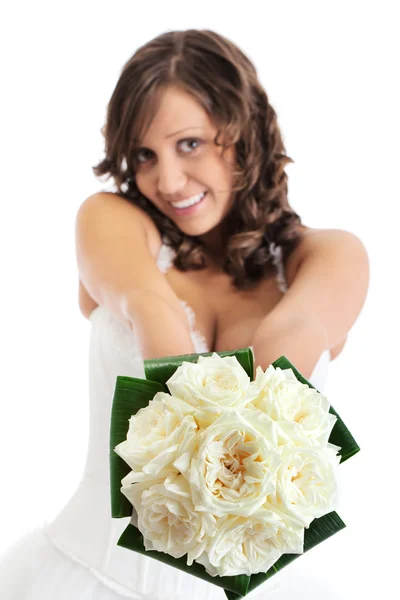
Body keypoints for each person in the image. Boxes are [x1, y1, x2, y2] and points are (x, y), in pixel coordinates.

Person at [0, 28, 369, 599]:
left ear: (244, 131)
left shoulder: (328, 255)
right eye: (145, 155)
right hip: (89, 579)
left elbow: (286, 344)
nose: (167, 181)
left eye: (189, 144)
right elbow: (154, 313)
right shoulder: (112, 219)